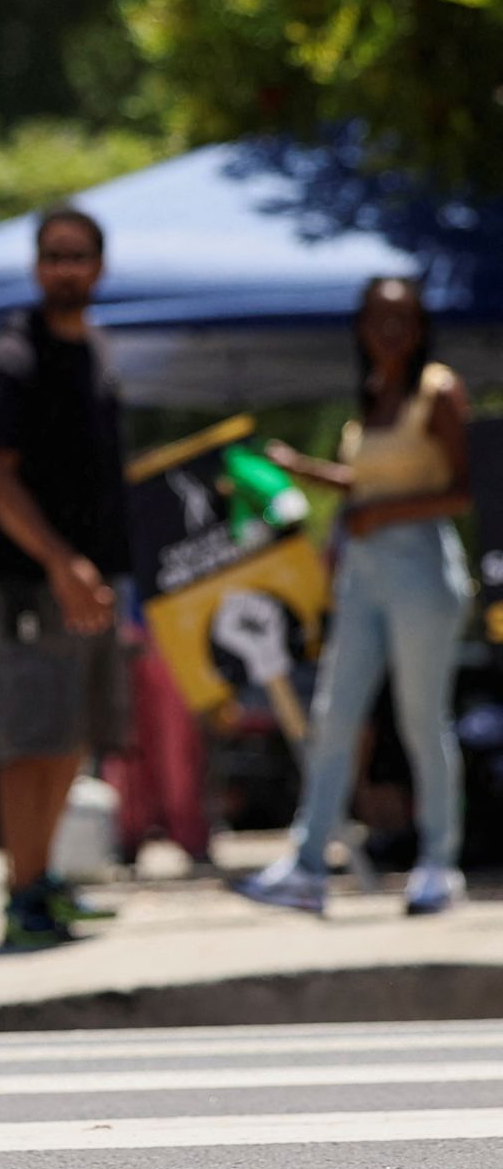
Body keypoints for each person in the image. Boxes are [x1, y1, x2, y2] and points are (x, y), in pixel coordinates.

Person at [236, 276, 472, 917]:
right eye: (377, 318)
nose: (389, 330)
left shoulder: (438, 390)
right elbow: (363, 483)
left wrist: (386, 513)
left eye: (402, 318)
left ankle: (437, 864)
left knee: (422, 720)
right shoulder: (371, 393)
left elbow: (461, 490)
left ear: (419, 326)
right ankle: (308, 864)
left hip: (421, 565)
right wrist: (305, 471)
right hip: (363, 572)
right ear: (361, 328)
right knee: (335, 715)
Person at [0, 206, 134, 949]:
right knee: (30, 740)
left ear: (99, 267)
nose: (66, 268)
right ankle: (19, 894)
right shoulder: (13, 355)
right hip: (35, 585)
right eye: (54, 256)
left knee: (73, 738)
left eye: (79, 256)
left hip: (93, 584)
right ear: (38, 268)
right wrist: (62, 565)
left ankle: (42, 882)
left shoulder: (93, 349)